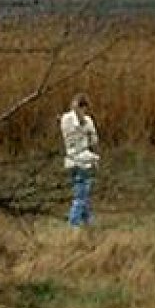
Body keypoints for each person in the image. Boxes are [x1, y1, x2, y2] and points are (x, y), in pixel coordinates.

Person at [60, 93, 100, 227]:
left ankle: (88, 220)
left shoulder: (65, 118)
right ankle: (74, 223)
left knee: (83, 192)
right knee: (81, 195)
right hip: (82, 161)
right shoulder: (84, 121)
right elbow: (93, 141)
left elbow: (93, 140)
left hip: (72, 160)